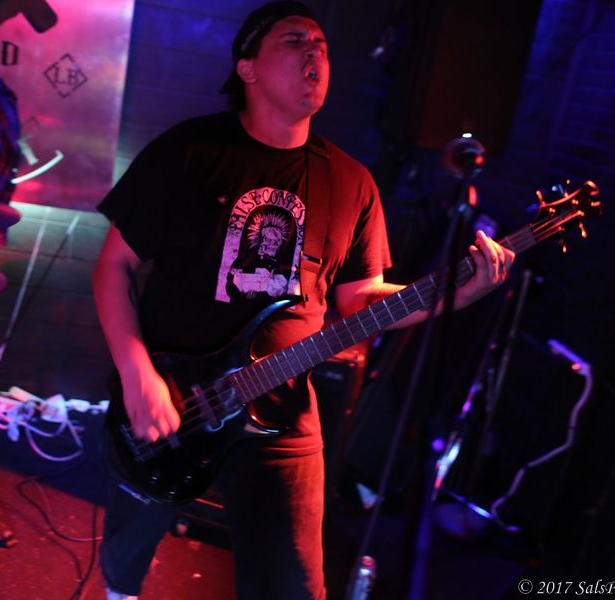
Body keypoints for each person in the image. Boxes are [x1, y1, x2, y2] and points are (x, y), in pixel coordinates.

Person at [92, 3, 515, 599]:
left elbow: (363, 299)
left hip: (282, 412)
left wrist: (455, 293)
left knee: (294, 585)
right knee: (126, 555)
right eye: (294, 40)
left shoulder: (352, 182)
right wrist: (138, 375)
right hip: (176, 397)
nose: (316, 51)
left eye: (321, 43)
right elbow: (113, 267)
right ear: (248, 68)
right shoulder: (187, 152)